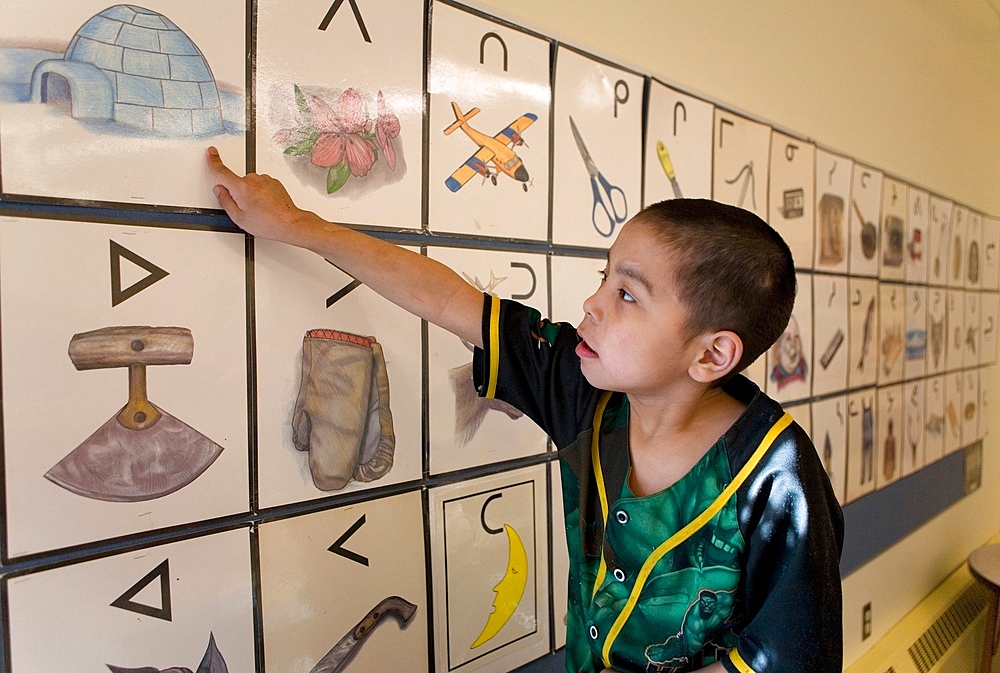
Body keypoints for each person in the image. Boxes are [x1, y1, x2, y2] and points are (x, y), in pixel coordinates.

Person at [206, 146, 844, 673]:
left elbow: (792, 659)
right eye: (604, 279)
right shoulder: (589, 395)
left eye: (627, 295)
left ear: (712, 355)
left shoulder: (777, 475)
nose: (592, 304)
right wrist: (295, 225)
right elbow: (448, 299)